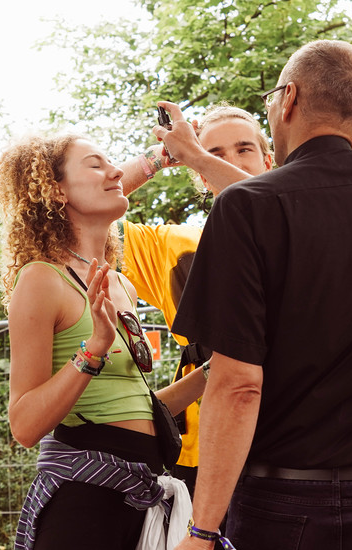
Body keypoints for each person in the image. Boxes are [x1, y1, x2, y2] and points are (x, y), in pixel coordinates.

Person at [156, 39, 352, 550]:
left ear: (288, 99)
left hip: (283, 507)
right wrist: (196, 157)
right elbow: (292, 200)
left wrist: (202, 530)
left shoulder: (245, 208)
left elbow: (238, 385)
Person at [0, 133, 207, 550]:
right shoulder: (41, 279)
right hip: (83, 503)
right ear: (55, 190)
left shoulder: (120, 283)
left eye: (113, 164)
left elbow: (135, 411)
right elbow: (25, 424)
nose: (113, 173)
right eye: (95, 164)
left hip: (138, 500)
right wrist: (94, 349)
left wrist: (215, 372)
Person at [117, 105, 272, 495]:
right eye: (215, 154)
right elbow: (77, 217)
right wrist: (162, 157)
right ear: (200, 174)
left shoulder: (308, 225)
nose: (231, 161)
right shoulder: (176, 244)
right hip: (203, 451)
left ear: (268, 160)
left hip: (293, 442)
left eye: (243, 149)